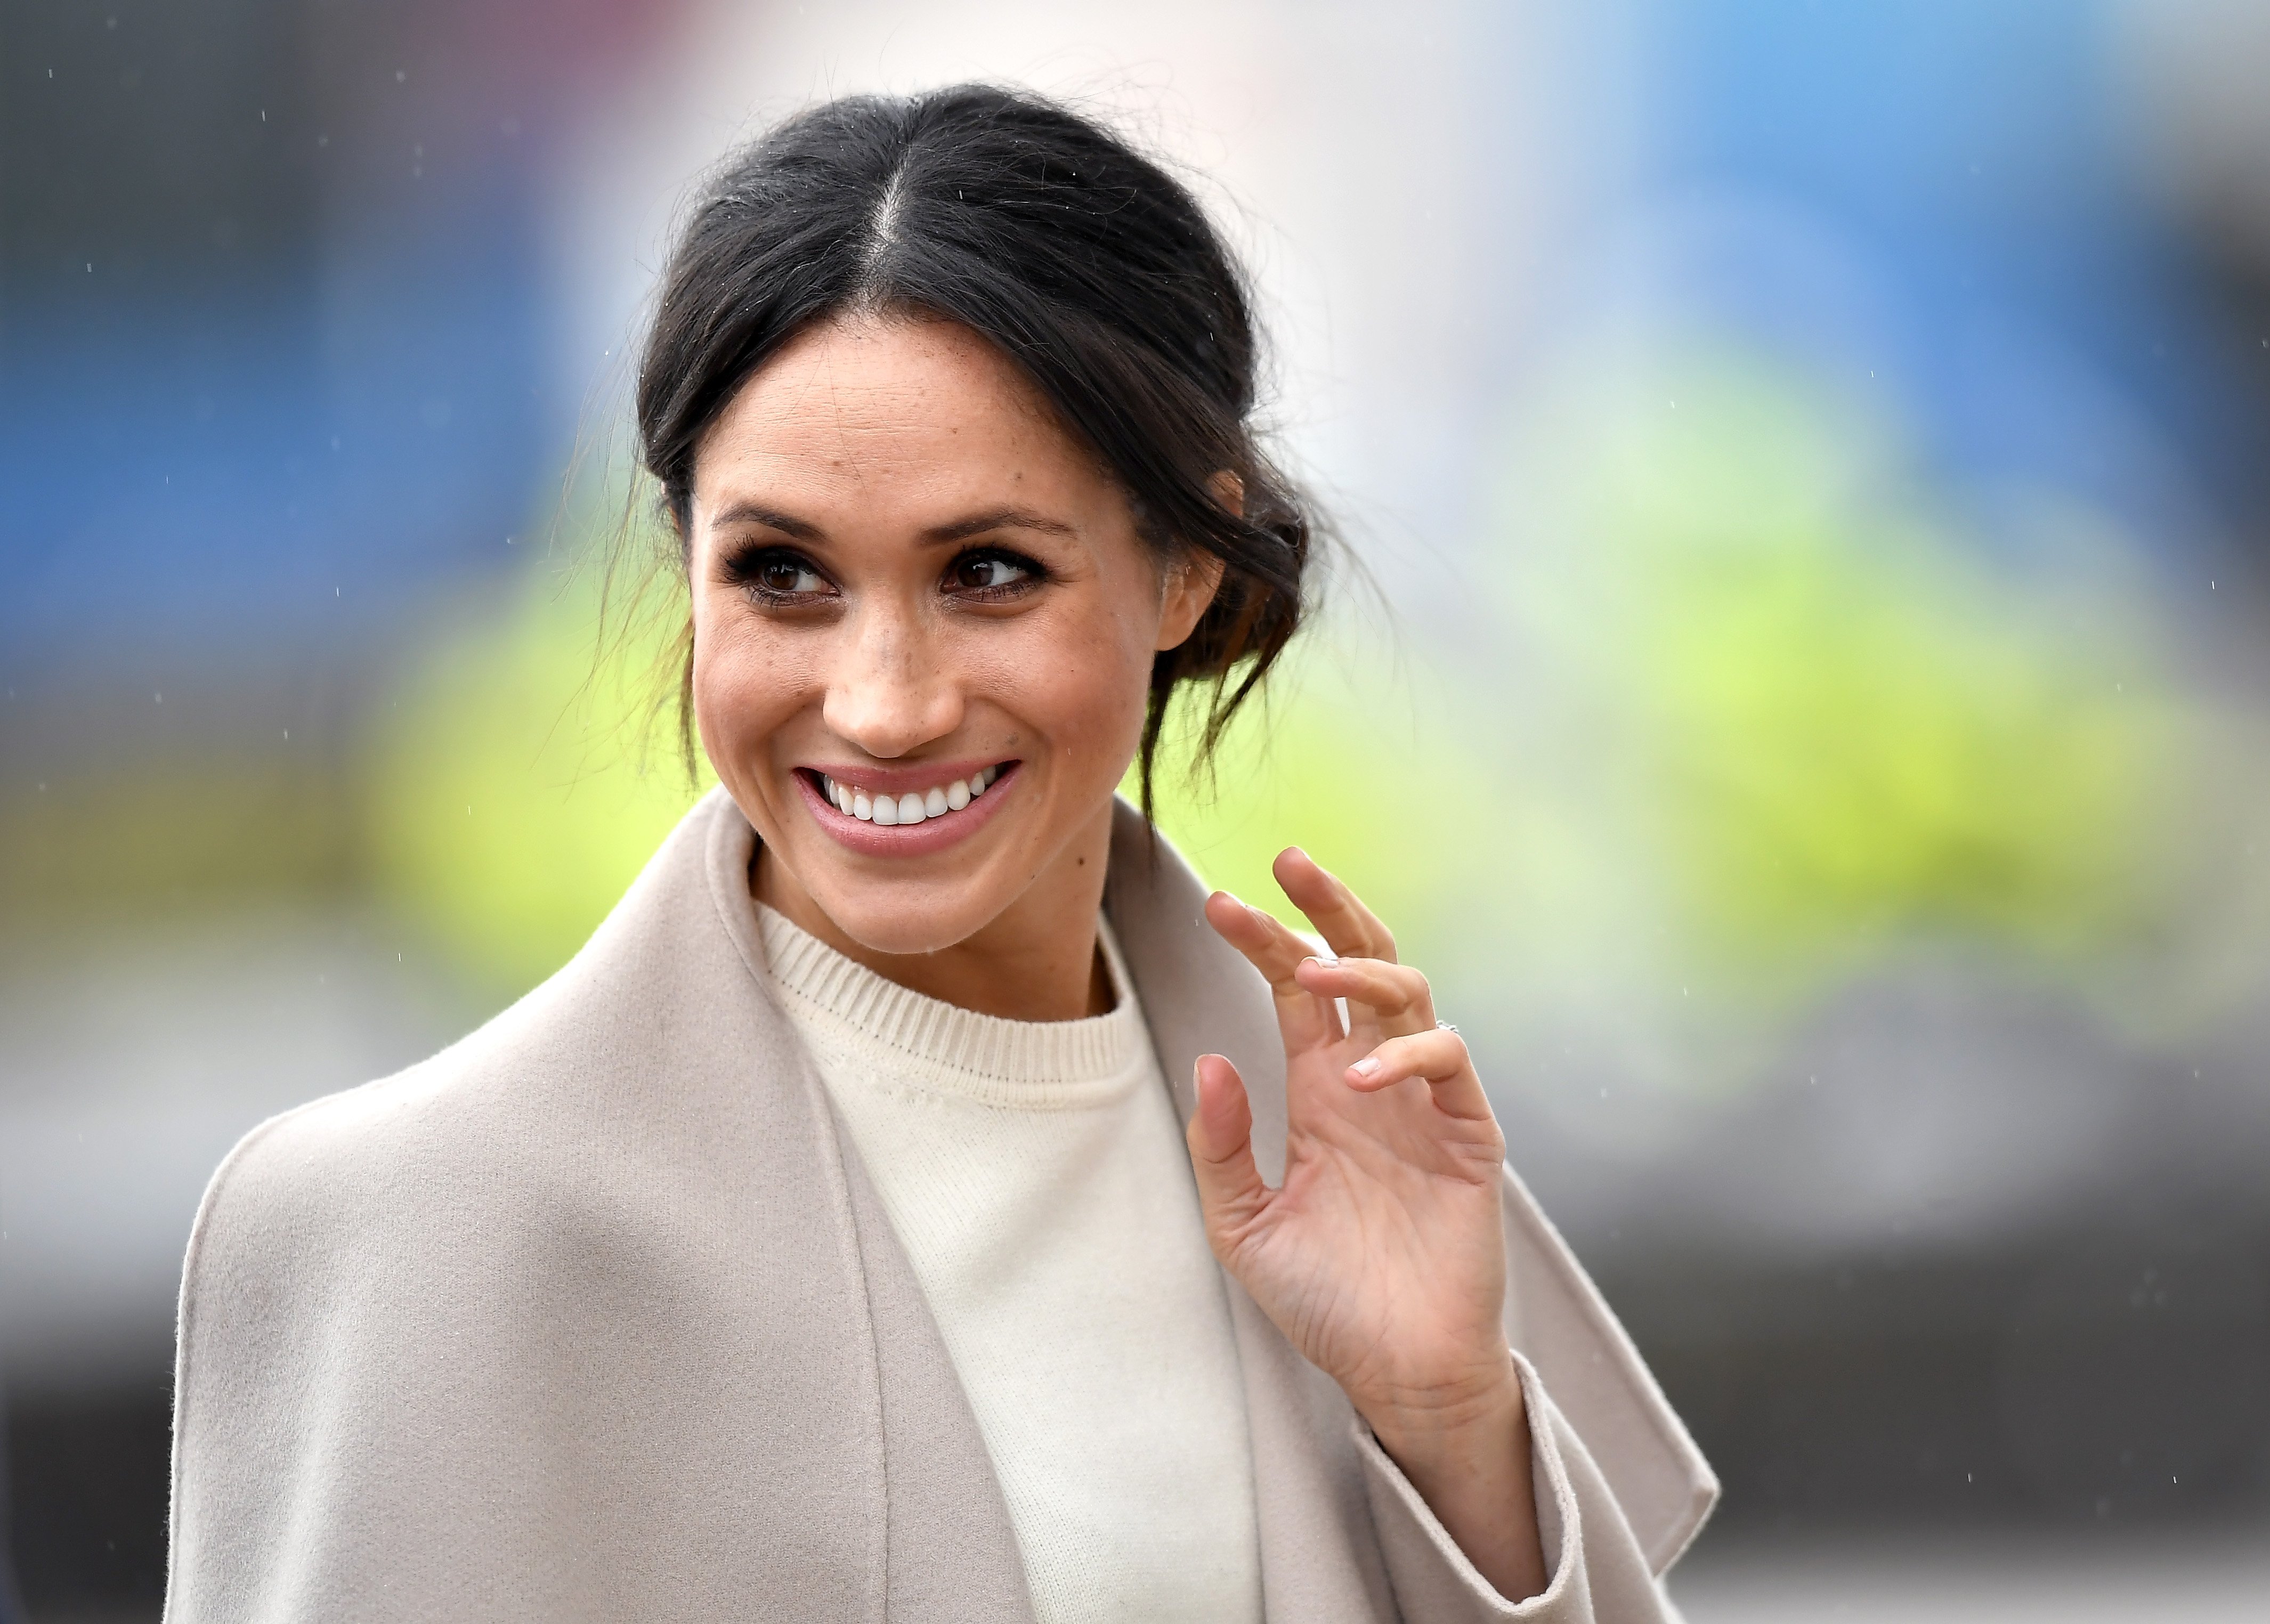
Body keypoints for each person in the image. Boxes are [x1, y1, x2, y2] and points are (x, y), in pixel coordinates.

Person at [165, 85, 1714, 1622]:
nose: (883, 703)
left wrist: (1444, 1423)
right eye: (781, 575)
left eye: (986, 572)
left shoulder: (1343, 1173)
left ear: (1183, 567)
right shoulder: (422, 1236)